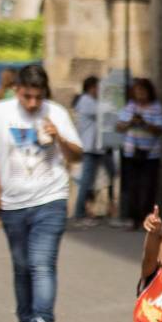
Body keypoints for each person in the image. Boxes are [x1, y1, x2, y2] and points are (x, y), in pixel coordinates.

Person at [0, 64, 82, 322]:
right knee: (21, 266)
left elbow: (77, 156)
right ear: (16, 90)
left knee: (42, 263)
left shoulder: (56, 113)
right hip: (13, 202)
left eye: (38, 97)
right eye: (27, 96)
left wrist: (59, 138)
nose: (32, 103)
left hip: (50, 199)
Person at [116, 78, 162, 229]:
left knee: (148, 187)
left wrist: (144, 123)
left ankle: (146, 218)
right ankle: (133, 218)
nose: (140, 94)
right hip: (131, 152)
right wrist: (131, 122)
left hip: (150, 154)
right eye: (137, 91)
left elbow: (160, 129)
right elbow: (119, 127)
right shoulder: (130, 106)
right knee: (132, 187)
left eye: (143, 91)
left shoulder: (156, 107)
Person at [71, 76, 115, 224]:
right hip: (89, 148)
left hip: (96, 148)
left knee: (98, 179)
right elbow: (104, 111)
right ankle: (80, 213)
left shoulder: (91, 101)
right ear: (91, 88)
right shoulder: (86, 101)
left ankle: (88, 211)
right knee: (86, 182)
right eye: (98, 88)